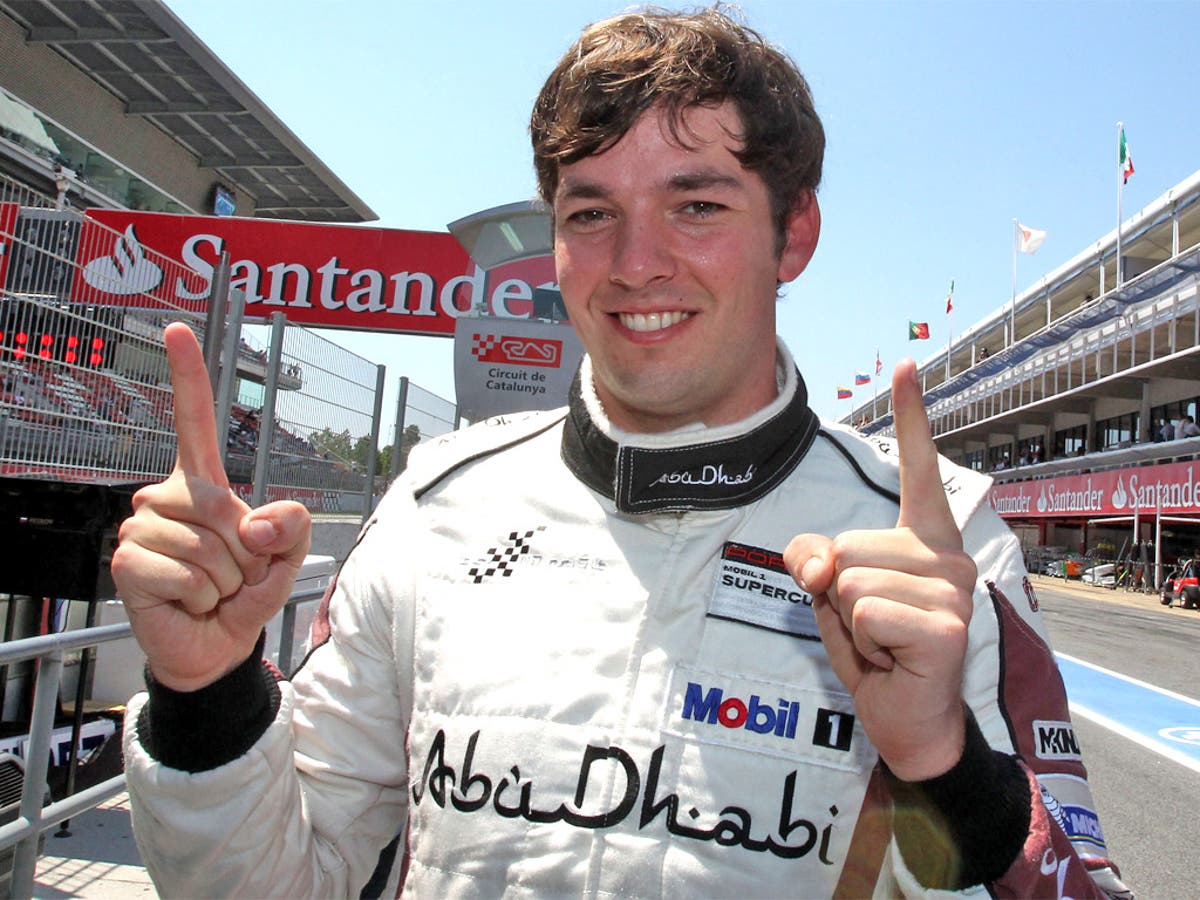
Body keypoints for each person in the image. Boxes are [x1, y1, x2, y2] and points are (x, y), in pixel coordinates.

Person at [112, 8, 1129, 899]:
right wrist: (207, 699)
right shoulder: (436, 505)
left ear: (795, 235)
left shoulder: (940, 541)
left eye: (697, 205)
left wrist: (947, 766)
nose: (636, 264)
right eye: (591, 212)